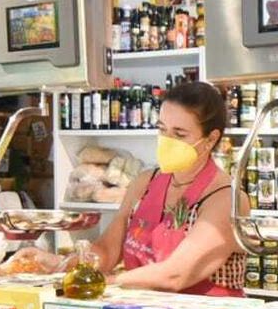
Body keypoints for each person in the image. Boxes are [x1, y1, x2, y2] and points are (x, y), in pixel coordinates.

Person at [91, 80, 246, 296]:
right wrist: (64, 265)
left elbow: (176, 274)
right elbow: (108, 250)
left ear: (210, 139)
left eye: (179, 134)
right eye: (162, 129)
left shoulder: (225, 198)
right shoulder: (145, 182)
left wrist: (113, 281)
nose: (166, 141)